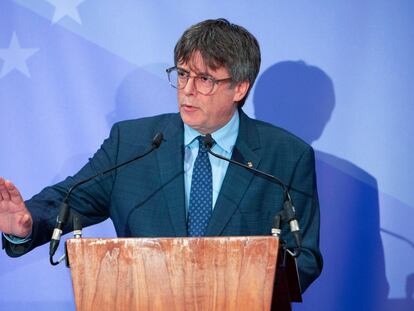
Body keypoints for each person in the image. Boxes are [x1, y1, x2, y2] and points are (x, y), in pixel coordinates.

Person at [0, 18, 322, 292]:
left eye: (205, 79)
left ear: (239, 88)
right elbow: (68, 199)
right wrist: (24, 224)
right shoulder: (132, 142)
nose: (188, 90)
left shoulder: (286, 156)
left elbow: (303, 257)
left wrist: (233, 286)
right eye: (183, 74)